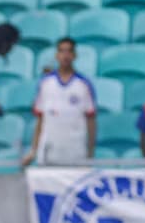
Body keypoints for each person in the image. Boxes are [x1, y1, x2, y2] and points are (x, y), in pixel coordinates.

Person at [22, 38, 96, 167]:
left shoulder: (84, 84)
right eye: (62, 51)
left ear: (75, 55)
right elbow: (40, 119)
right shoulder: (45, 83)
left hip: (75, 151)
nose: (65, 55)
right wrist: (34, 150)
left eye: (69, 51)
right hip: (49, 151)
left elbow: (91, 120)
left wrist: (90, 153)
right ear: (57, 55)